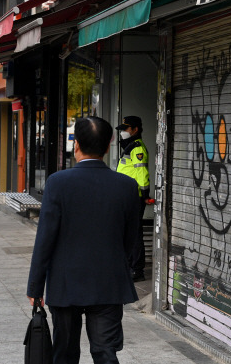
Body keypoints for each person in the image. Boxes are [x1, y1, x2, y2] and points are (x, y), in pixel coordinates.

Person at [27, 116, 139, 364]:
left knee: (65, 354)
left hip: (66, 284)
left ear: (76, 145)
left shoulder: (58, 183)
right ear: (108, 146)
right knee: (105, 353)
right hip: (109, 283)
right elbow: (132, 240)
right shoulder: (127, 186)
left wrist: (35, 287)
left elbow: (45, 238)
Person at [115, 115, 151, 282]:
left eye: (126, 129)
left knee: (135, 234)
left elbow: (142, 174)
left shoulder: (137, 148)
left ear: (135, 130)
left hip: (134, 197)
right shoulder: (130, 146)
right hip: (126, 195)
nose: (123, 132)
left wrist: (144, 195)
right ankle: (130, 266)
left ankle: (137, 270)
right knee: (129, 232)